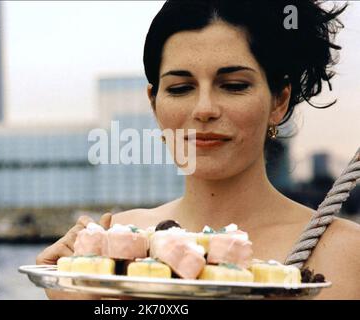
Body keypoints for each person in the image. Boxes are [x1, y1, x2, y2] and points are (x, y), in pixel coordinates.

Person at [36, 0, 360, 299]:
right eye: (180, 89)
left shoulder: (348, 254)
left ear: (279, 101)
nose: (204, 109)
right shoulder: (115, 247)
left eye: (234, 85)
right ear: (154, 103)